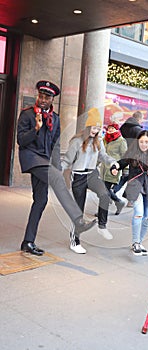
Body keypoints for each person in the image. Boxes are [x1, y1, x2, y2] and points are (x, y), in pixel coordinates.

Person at [17, 80, 96, 256]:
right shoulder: (27, 115)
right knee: (56, 181)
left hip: (45, 161)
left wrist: (58, 167)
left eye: (47, 97)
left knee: (41, 200)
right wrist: (36, 129)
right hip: (32, 159)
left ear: (52, 99)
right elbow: (21, 141)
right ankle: (78, 221)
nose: (43, 99)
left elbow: (55, 146)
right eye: (41, 96)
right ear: (38, 95)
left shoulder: (55, 118)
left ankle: (27, 242)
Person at [61, 108, 119, 254]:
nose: (96, 131)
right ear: (88, 127)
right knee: (78, 210)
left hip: (92, 174)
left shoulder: (98, 141)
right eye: (94, 128)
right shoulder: (77, 141)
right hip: (79, 176)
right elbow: (67, 160)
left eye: (98, 128)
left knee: (105, 195)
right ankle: (75, 241)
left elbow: (104, 156)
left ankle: (102, 226)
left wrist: (113, 163)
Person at [114, 110, 144, 207]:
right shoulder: (138, 130)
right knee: (134, 177)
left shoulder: (123, 127)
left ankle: (112, 191)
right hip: (134, 156)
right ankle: (130, 200)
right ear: (139, 119)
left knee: (123, 176)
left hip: (122, 154)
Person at [100, 123, 127, 215]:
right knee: (104, 190)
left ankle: (102, 212)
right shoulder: (105, 140)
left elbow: (125, 157)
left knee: (104, 191)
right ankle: (119, 202)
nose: (110, 129)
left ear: (116, 129)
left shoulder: (121, 141)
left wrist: (124, 170)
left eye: (112, 128)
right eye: (109, 128)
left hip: (114, 170)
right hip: (103, 169)